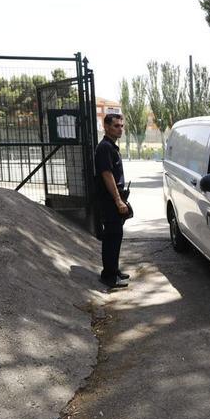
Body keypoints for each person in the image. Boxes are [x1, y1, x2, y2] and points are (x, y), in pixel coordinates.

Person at [95, 113, 130, 288]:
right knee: (111, 238)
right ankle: (108, 276)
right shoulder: (105, 148)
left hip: (114, 200)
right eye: (116, 126)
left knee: (116, 237)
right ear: (106, 127)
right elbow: (107, 175)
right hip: (109, 202)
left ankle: (113, 270)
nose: (120, 129)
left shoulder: (111, 146)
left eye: (121, 126)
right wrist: (118, 200)